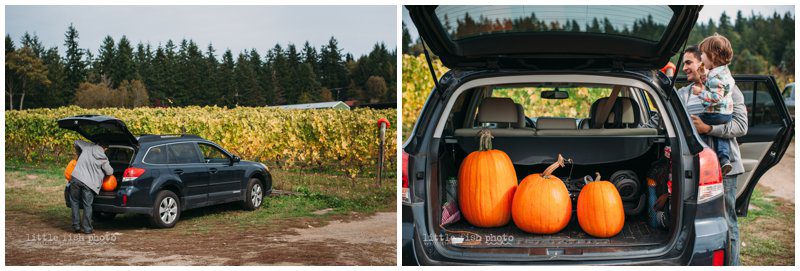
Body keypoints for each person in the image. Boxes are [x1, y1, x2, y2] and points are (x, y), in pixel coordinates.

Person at [678, 45, 748, 265]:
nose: (684, 68)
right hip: (691, 168)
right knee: (694, 223)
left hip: (723, 168)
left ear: (702, 62)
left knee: (726, 222)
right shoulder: (682, 94)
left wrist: (709, 130)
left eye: (688, 62)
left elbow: (741, 126)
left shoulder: (728, 88)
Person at [693, 33, 737, 175]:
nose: (701, 58)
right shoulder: (723, 73)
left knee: (692, 122)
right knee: (720, 136)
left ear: (713, 55)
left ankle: (704, 153)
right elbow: (714, 86)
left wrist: (700, 92)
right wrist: (703, 77)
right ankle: (724, 160)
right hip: (725, 115)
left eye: (703, 54)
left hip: (716, 113)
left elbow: (716, 96)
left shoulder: (717, 76)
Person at [68, 139, 113, 234]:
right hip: (89, 183)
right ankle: (87, 229)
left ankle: (76, 226)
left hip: (76, 178)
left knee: (74, 202)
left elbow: (76, 142)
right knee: (87, 205)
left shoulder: (87, 147)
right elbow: (109, 172)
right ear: (105, 148)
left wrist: (79, 154)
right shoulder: (103, 158)